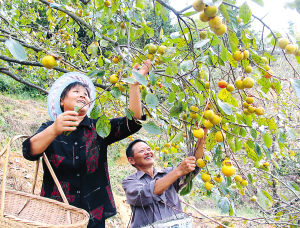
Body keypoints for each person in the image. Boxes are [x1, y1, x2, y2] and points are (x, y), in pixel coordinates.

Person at [22, 60, 151, 228]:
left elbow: (133, 122)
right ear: (62, 101)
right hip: (57, 211)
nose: (83, 95)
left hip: (93, 212)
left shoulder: (100, 128)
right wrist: (54, 129)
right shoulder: (49, 128)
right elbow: (29, 151)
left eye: (86, 93)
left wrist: (135, 84)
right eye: (76, 91)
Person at [122, 130, 207, 228]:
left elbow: (194, 163)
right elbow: (147, 193)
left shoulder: (168, 173)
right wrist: (178, 171)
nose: (148, 152)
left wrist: (202, 133)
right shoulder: (130, 182)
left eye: (149, 149)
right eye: (142, 151)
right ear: (131, 160)